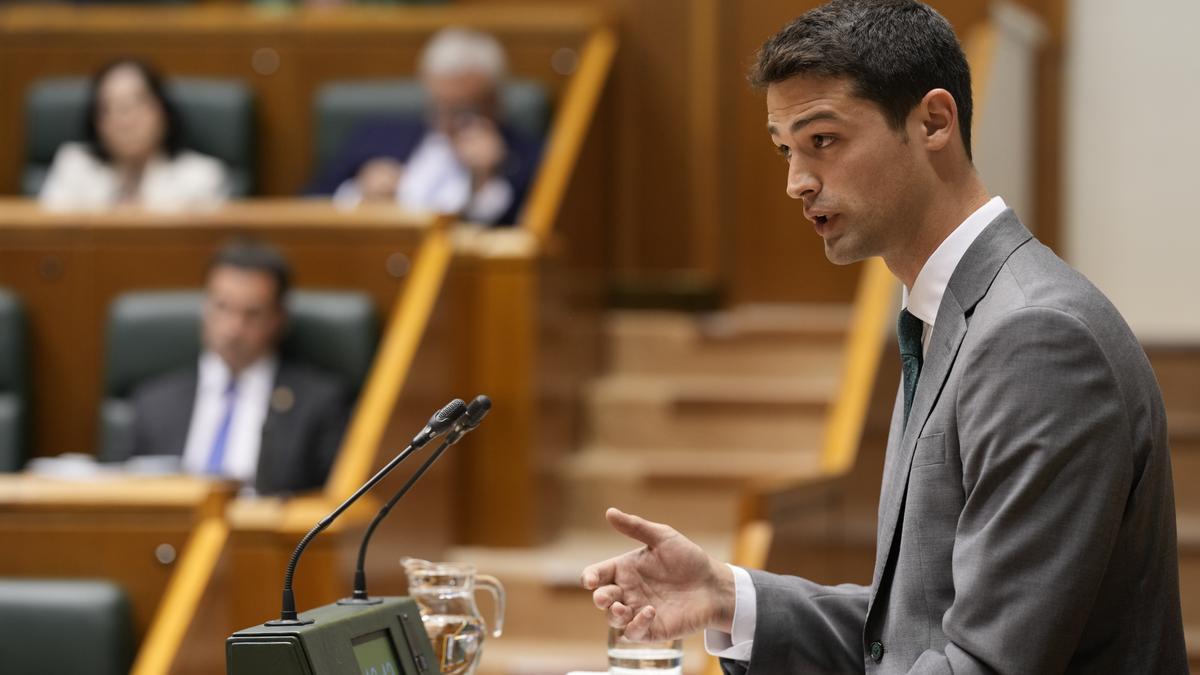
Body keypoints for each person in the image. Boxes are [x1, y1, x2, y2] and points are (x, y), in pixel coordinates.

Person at [580, 1, 1187, 673]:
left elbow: (983, 665)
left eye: (823, 141)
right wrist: (725, 594)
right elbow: (907, 635)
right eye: (786, 149)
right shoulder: (952, 316)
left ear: (933, 122)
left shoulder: (1035, 338)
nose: (796, 182)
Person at [128, 241, 351, 496]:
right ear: (204, 307)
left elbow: (330, 503)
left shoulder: (319, 403)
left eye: (252, 314)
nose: (233, 328)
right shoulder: (154, 402)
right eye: (222, 307)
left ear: (279, 319)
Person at [307, 28, 542, 226]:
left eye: (466, 108)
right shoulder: (377, 136)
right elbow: (307, 205)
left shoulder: (524, 159)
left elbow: (520, 238)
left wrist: (485, 183)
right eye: (443, 106)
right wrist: (358, 193)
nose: (453, 121)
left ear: (494, 101)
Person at [39, 59, 229, 212]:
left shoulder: (202, 178)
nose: (124, 122)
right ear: (96, 122)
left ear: (163, 111)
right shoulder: (74, 166)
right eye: (109, 109)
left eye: (135, 105)